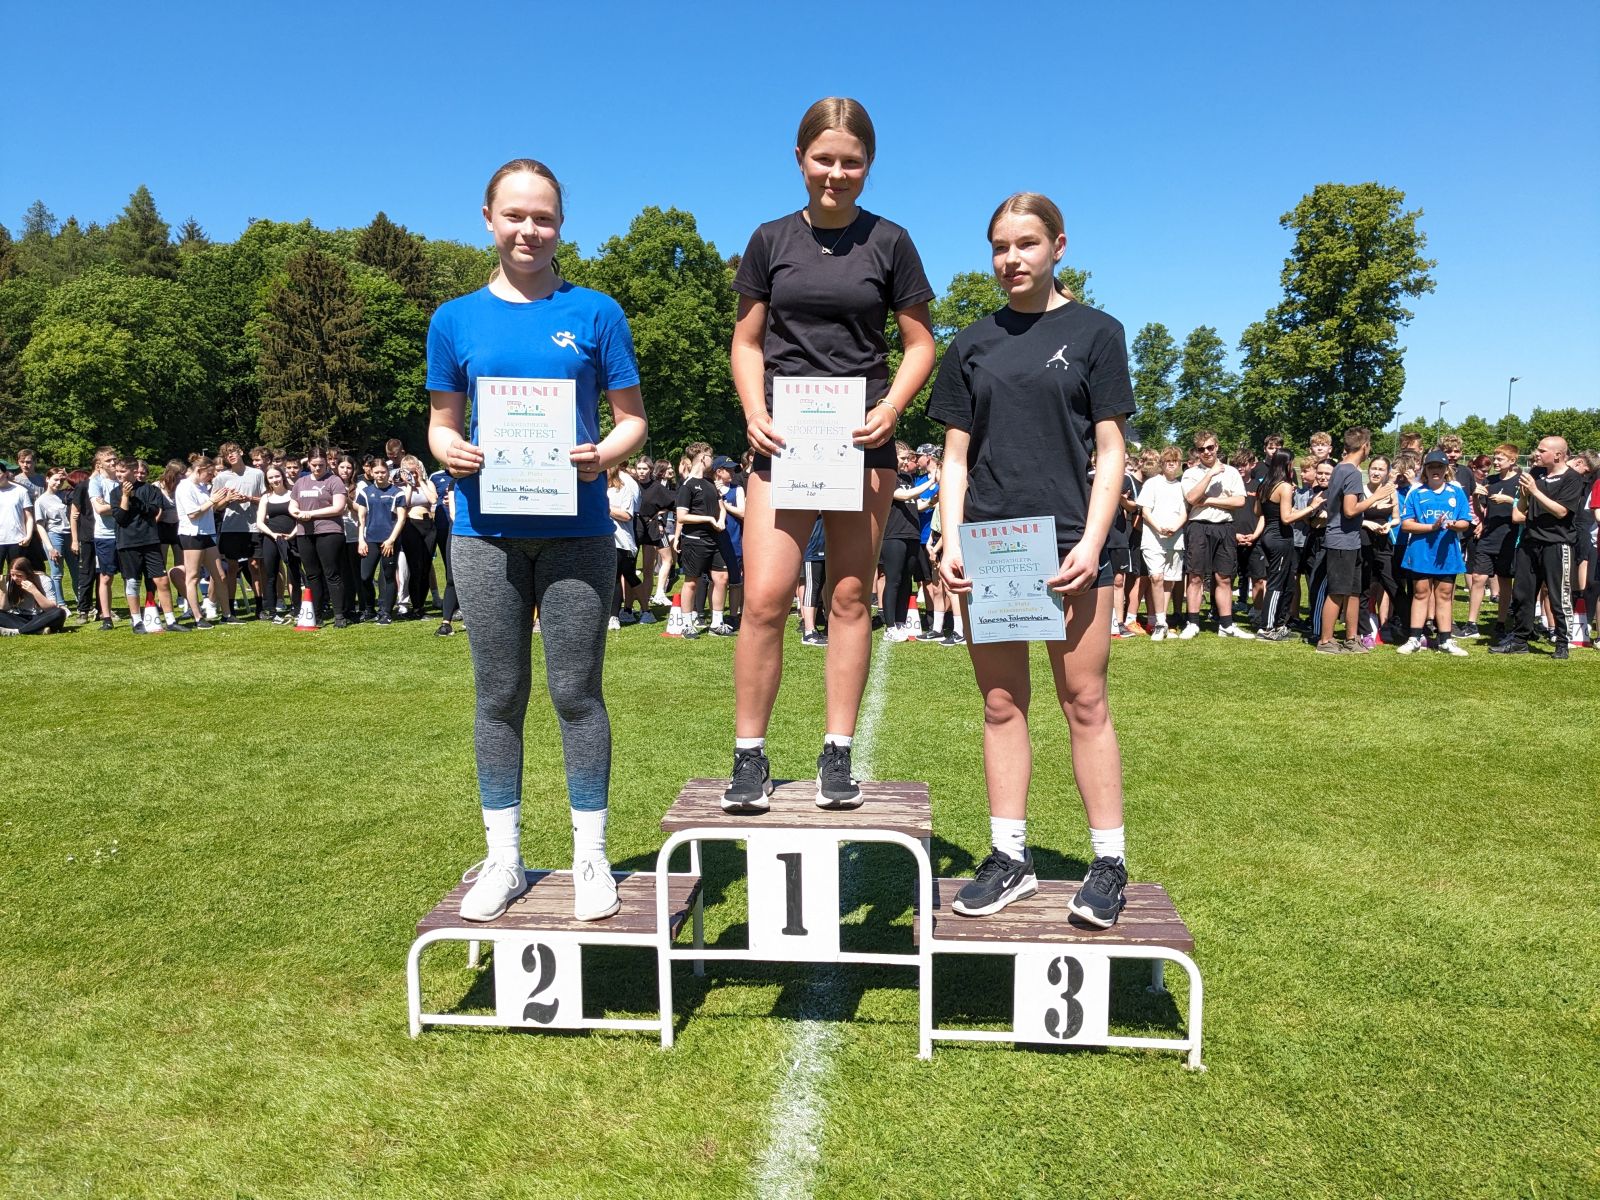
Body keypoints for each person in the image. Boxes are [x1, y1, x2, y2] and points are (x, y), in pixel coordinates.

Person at [427, 157, 647, 923]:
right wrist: (449, 449)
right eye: (515, 215)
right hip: (484, 532)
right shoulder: (454, 319)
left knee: (576, 694)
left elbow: (632, 420)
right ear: (488, 218)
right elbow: (441, 424)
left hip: (576, 532)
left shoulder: (596, 313)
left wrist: (604, 454)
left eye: (543, 217)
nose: (529, 230)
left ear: (561, 225)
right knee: (498, 696)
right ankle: (505, 858)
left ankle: (592, 855)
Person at [724, 96, 937, 813]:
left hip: (862, 444)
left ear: (868, 165)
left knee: (849, 596)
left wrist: (891, 408)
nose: (836, 174)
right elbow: (747, 342)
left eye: (851, 162)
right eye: (824, 159)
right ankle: (749, 755)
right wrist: (755, 412)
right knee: (764, 599)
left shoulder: (891, 242)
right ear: (799, 159)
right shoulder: (769, 239)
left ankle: (837, 752)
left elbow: (919, 344)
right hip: (782, 442)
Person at [931, 191, 1134, 927]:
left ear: (1058, 246)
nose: (1011, 259)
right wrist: (952, 538)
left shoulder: (1097, 333)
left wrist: (1090, 541)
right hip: (993, 549)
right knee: (1000, 703)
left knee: (1085, 701)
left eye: (1025, 244)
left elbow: (1111, 449)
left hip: (1074, 545)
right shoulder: (969, 344)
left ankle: (1108, 863)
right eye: (1000, 247)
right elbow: (955, 458)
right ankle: (1009, 857)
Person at [1491, 436, 1586, 659]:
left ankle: (1562, 643)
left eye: (1542, 450)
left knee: (1558, 595)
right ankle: (1519, 639)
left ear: (1558, 455)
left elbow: (1561, 511)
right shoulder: (1536, 473)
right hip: (1530, 541)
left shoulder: (1572, 479)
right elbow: (1520, 512)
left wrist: (1534, 491)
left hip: (1557, 543)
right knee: (1522, 593)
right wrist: (1524, 496)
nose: (1537, 453)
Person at [1316, 427, 1394, 654]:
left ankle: (1352, 638)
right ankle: (1326, 641)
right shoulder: (1351, 473)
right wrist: (1377, 497)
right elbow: (1350, 510)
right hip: (1342, 540)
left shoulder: (1341, 468)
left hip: (1350, 540)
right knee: (1338, 591)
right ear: (1364, 446)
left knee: (1353, 591)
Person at [1178, 429, 1253, 639]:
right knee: (1195, 576)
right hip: (1199, 526)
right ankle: (1193, 623)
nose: (1206, 452)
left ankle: (1226, 624)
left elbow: (1240, 500)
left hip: (1224, 526)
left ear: (1217, 447)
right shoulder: (1191, 473)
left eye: (1210, 447)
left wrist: (1209, 500)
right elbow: (1192, 498)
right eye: (1201, 449)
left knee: (1224, 577)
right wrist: (1210, 474)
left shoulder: (1231, 472)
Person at [1396, 451, 1472, 656]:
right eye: (1431, 467)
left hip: (1447, 551)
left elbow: (1465, 521)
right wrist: (1432, 527)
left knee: (1445, 594)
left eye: (1439, 466)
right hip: (1421, 551)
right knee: (1420, 593)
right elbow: (1406, 524)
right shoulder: (1416, 492)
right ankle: (1414, 638)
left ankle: (1445, 639)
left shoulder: (1456, 492)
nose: (1435, 470)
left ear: (1446, 469)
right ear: (1425, 470)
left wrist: (1454, 525)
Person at [110, 456, 181, 632]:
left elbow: (152, 511)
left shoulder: (150, 490)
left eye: (122, 471)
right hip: (127, 543)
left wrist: (134, 498)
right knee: (133, 582)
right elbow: (121, 518)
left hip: (150, 540)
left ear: (134, 471)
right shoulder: (115, 493)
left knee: (161, 580)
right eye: (117, 471)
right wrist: (125, 497)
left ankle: (171, 621)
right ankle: (136, 621)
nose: (119, 474)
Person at [672, 443, 731, 639]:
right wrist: (709, 519)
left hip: (714, 539)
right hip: (694, 540)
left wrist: (720, 520)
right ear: (703, 458)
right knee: (692, 582)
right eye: (710, 457)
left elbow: (721, 507)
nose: (712, 460)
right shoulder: (687, 486)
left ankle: (717, 623)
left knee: (721, 578)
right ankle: (687, 625)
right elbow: (682, 517)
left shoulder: (710, 483)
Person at [175, 455, 237, 630]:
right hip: (192, 535)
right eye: (209, 473)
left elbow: (211, 508)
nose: (211, 477)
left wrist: (224, 499)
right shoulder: (185, 487)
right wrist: (212, 500)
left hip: (207, 534)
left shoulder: (202, 486)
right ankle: (198, 617)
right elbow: (193, 514)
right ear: (199, 470)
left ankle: (227, 615)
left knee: (220, 575)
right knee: (193, 577)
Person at [1466, 444, 1521, 640]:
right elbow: (1481, 513)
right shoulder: (1490, 481)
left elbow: (1525, 510)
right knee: (1478, 577)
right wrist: (1476, 497)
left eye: (1500, 459)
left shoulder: (1520, 481)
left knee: (1505, 580)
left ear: (1512, 461)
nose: (1495, 462)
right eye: (1495, 458)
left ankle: (1500, 623)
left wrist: (1509, 500)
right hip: (1488, 537)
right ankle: (1471, 624)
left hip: (1509, 538)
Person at [290, 449, 349, 629]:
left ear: (326, 463)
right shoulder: (300, 482)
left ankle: (339, 614)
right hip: (304, 532)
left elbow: (338, 507)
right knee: (312, 574)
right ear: (308, 463)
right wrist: (296, 512)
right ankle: (316, 614)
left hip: (329, 531)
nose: (317, 468)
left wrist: (311, 514)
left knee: (331, 573)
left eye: (321, 465)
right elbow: (293, 505)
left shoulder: (334, 480)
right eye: (314, 465)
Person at [1137, 446, 1188, 640]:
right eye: (1168, 461)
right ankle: (1159, 623)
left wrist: (1175, 527)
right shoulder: (1152, 484)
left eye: (1174, 461)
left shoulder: (1182, 486)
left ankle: (1163, 621)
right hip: (1153, 539)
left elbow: (1184, 512)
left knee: (1169, 581)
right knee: (1156, 577)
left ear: (1179, 464)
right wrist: (1159, 528)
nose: (1171, 465)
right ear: (1162, 463)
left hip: (1175, 539)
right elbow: (1145, 511)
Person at [213, 442, 265, 618]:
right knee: (232, 568)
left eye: (233, 452)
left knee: (255, 566)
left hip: (253, 526)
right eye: (226, 454)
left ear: (240, 452)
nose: (230, 456)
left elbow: (265, 499)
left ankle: (260, 607)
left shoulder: (257, 474)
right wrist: (228, 499)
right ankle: (230, 609)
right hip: (231, 528)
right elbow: (215, 507)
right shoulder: (221, 478)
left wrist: (249, 498)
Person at [355, 459, 406, 624]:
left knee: (388, 576)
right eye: (376, 472)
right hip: (370, 539)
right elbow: (361, 518)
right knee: (365, 576)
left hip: (389, 541)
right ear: (371, 472)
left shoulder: (397, 492)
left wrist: (391, 540)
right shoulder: (365, 492)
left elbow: (401, 519)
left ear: (387, 472)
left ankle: (386, 612)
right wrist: (361, 540)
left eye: (383, 472)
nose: (380, 475)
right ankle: (370, 609)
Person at [254, 463, 300, 624]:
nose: (275, 480)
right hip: (271, 539)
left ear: (282, 476)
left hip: (292, 538)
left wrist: (292, 535)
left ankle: (297, 608)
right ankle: (272, 611)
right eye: (271, 477)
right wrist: (273, 535)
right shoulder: (266, 498)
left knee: (294, 573)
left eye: (277, 476)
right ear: (267, 480)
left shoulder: (293, 494)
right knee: (271, 575)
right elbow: (259, 522)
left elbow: (300, 518)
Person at [397, 455, 438, 619]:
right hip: (411, 526)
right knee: (415, 567)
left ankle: (420, 605)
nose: (413, 474)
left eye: (415, 471)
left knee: (426, 566)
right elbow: (404, 504)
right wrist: (409, 484)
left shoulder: (428, 483)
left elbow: (433, 499)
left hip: (428, 525)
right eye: (409, 472)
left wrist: (420, 481)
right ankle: (416, 607)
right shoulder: (400, 487)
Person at [606, 462, 641, 629]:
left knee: (617, 576)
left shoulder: (623, 488)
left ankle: (614, 616)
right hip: (600, 539)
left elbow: (627, 515)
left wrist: (605, 507)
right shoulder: (598, 488)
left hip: (620, 540)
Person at [33, 467, 74, 607]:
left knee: (76, 571)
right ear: (47, 479)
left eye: (61, 480)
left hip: (70, 535)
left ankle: (82, 603)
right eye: (55, 479)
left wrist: (67, 477)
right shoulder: (41, 501)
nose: (58, 483)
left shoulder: (66, 495)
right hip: (54, 536)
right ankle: (60, 603)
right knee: (57, 573)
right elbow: (40, 526)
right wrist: (50, 547)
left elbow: (77, 486)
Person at [0, 557, 66, 636]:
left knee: (59, 612)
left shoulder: (44, 580)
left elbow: (51, 608)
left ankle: (19, 631)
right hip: (19, 617)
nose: (15, 578)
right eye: (12, 575)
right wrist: (3, 590)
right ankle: (36, 629)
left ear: (28, 574)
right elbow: (4, 608)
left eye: (19, 575)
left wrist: (35, 591)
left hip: (41, 617)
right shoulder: (11, 582)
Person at [0, 461, 35, 572]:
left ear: (6, 473)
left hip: (17, 540)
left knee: (16, 574)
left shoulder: (21, 491)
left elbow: (29, 517)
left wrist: (28, 536)